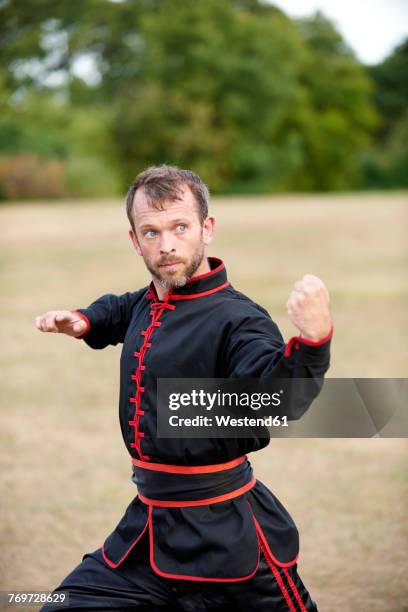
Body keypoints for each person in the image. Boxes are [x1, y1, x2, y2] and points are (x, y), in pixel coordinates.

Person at [36, 165, 333, 611]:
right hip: (148, 531)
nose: (167, 244)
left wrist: (314, 341)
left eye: (180, 227)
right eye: (150, 232)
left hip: (229, 543)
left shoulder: (240, 319)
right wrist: (87, 320)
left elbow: (277, 403)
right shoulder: (149, 299)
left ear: (206, 228)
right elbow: (121, 309)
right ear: (135, 241)